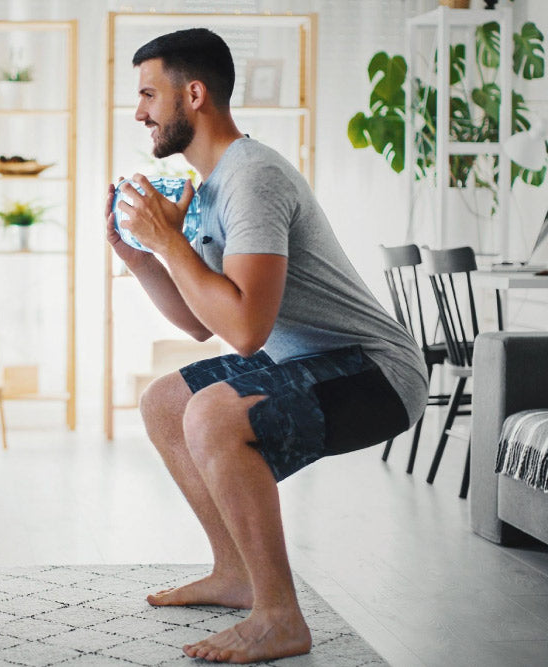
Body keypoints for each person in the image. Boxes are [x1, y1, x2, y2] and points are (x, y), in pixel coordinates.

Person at [107, 29, 427, 663]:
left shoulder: (252, 179)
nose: (140, 113)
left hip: (377, 372)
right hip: (308, 363)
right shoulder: (213, 187)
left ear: (193, 94)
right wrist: (141, 257)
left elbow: (248, 329)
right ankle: (235, 575)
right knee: (167, 401)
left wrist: (169, 243)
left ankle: (279, 616)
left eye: (148, 95)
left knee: (214, 411)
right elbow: (204, 322)